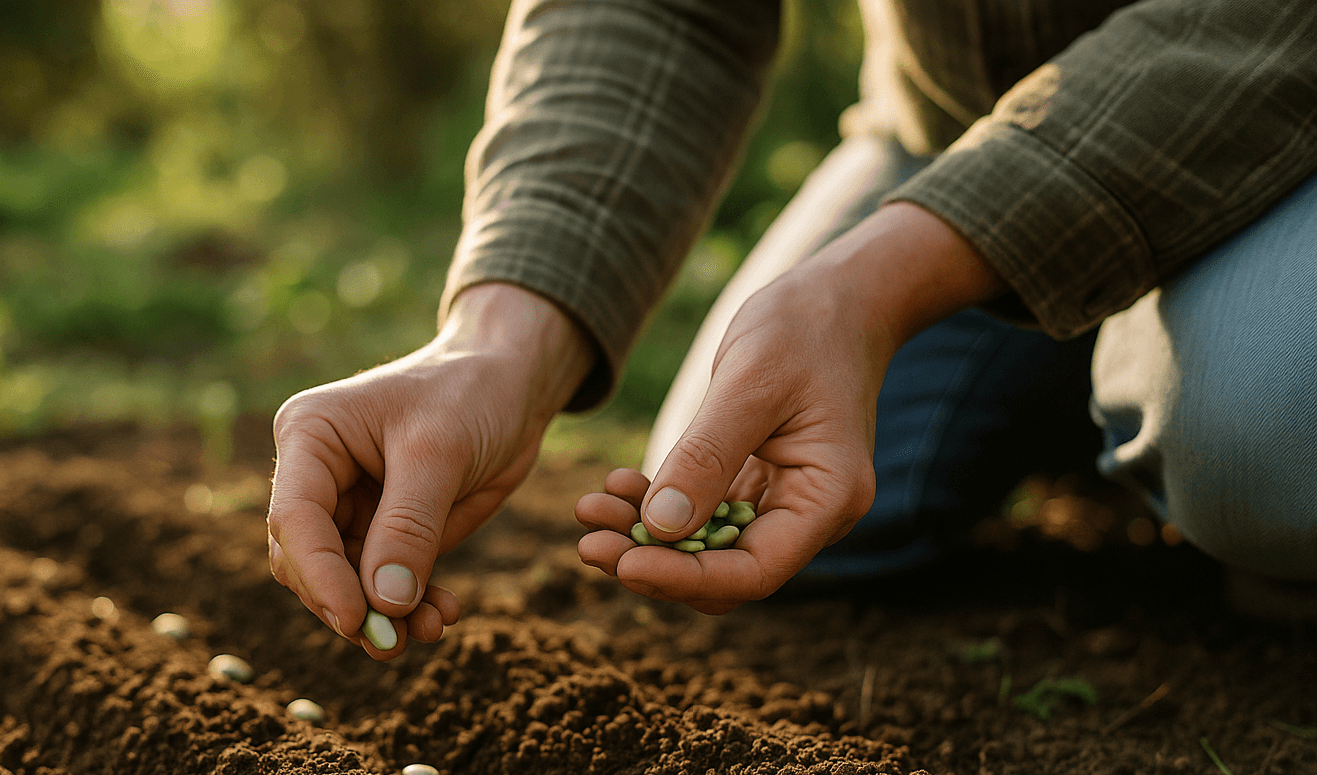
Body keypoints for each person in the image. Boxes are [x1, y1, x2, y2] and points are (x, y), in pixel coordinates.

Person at [266, 0, 1317, 659]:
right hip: (958, 130)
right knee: (761, 487)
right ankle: (1098, 361)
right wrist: (500, 339)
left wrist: (870, 286)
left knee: (1260, 445)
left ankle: (1177, 376)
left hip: (1281, 103)